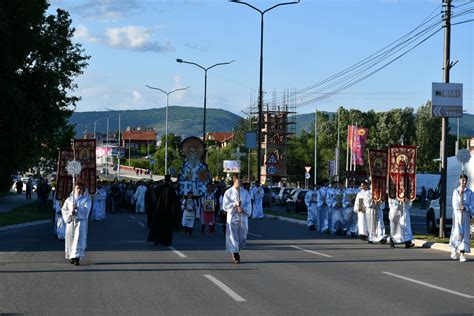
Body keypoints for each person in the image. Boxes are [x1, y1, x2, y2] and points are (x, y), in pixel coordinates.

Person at [222, 174, 251, 264]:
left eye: (241, 181)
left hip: (242, 216)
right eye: (239, 181)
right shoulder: (228, 192)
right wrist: (235, 204)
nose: (241, 183)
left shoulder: (245, 192)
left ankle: (237, 247)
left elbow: (249, 204)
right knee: (233, 235)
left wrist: (243, 208)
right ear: (234, 181)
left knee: (243, 233)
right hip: (233, 216)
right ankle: (235, 253)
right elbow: (225, 205)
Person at [61, 183, 91, 265]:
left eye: (80, 189)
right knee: (70, 238)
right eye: (77, 188)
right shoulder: (69, 200)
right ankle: (71, 256)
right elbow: (64, 209)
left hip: (80, 222)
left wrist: (77, 209)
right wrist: (70, 212)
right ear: (74, 189)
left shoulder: (86, 200)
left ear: (83, 190)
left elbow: (86, 212)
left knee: (78, 239)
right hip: (71, 222)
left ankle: (77, 257)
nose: (78, 190)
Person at [147, 175, 181, 246]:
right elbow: (175, 202)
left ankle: (156, 239)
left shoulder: (158, 188)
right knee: (167, 226)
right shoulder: (171, 190)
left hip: (159, 209)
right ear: (169, 181)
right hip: (168, 211)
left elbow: (154, 198)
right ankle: (166, 241)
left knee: (158, 225)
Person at [449, 174, 474, 262]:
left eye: (465, 180)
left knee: (464, 234)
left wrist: (466, 208)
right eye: (462, 180)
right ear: (460, 180)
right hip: (457, 215)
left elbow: (472, 205)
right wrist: (459, 206)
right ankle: (454, 248)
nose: (464, 182)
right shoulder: (456, 191)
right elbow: (454, 203)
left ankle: (462, 254)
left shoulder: (470, 192)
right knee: (458, 233)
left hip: (465, 215)